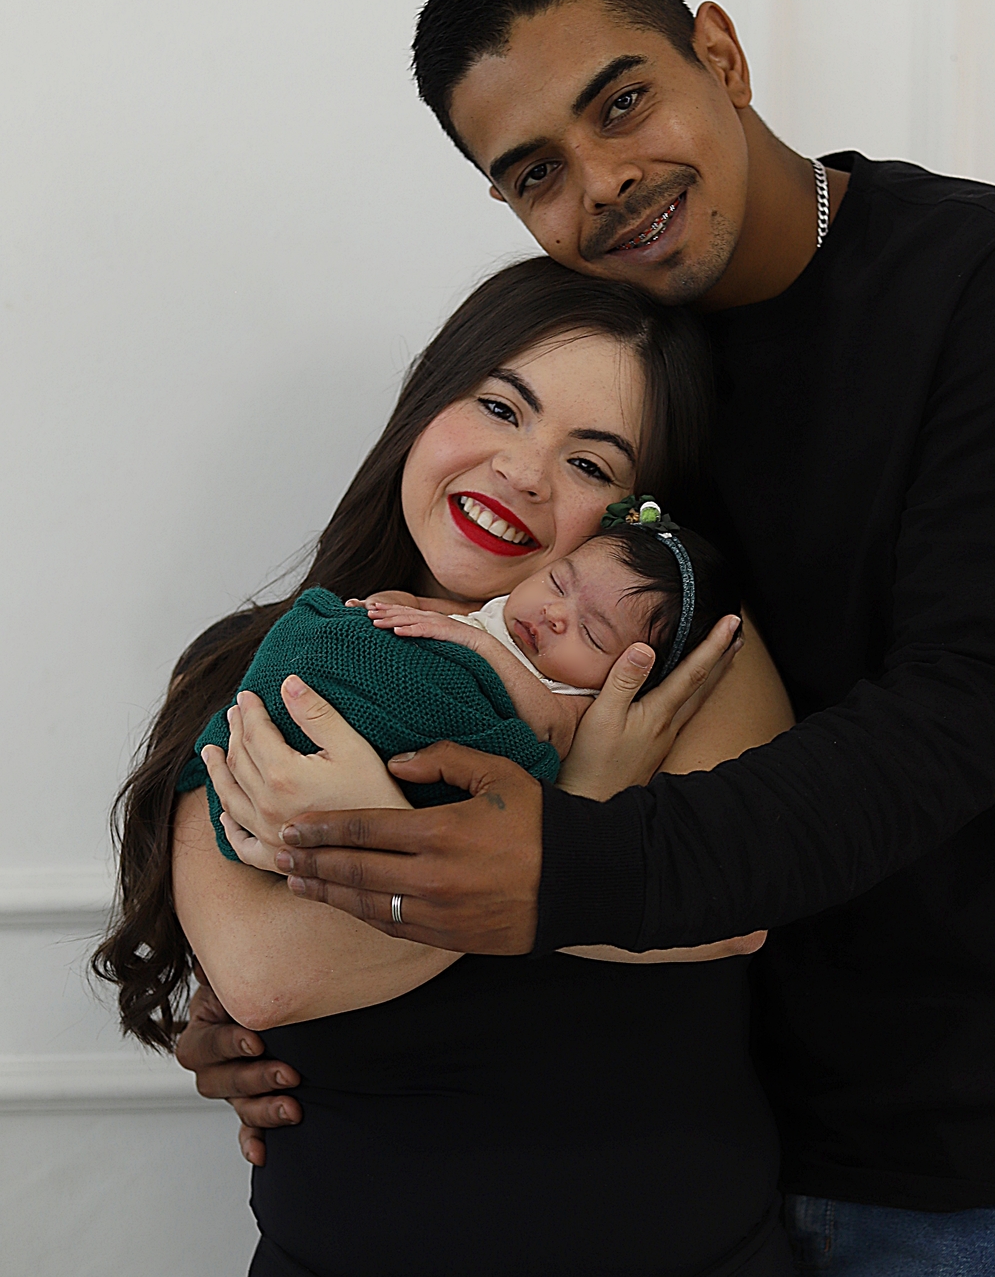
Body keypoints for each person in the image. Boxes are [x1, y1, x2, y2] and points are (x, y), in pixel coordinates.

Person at [184, 0, 995, 1275]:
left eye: (622, 102)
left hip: (981, 1151)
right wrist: (283, 1006)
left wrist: (564, 863)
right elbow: (520, 699)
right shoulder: (619, 371)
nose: (603, 182)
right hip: (719, 1121)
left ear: (720, 53)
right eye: (537, 171)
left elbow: (962, 712)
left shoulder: (991, 284)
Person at [94, 258, 796, 1276]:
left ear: (638, 520)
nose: (525, 473)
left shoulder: (674, 661)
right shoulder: (274, 656)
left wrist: (383, 855)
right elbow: (269, 972)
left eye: (592, 464)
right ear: (428, 403)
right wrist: (588, 812)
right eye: (501, 407)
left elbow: (728, 912)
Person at [210, 502, 738, 874]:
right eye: (559, 582)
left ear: (627, 673)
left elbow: (546, 734)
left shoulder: (577, 700)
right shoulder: (496, 612)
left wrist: (477, 644)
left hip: (436, 727)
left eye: (592, 632)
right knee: (321, 634)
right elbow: (425, 611)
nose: (554, 614)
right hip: (371, 682)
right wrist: (383, 608)